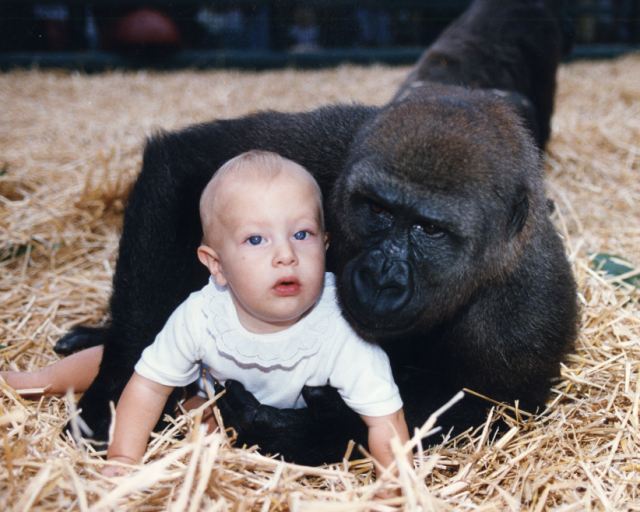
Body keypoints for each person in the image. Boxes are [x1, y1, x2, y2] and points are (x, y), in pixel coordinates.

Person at [2, 150, 410, 479]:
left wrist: (396, 487)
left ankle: (195, 408)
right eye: (255, 239)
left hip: (256, 415)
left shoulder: (341, 326)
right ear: (216, 265)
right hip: (206, 378)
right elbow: (147, 387)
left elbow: (384, 419)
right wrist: (122, 461)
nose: (286, 255)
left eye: (301, 234)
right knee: (128, 361)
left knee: (210, 432)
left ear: (326, 245)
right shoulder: (204, 314)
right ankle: (37, 382)